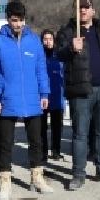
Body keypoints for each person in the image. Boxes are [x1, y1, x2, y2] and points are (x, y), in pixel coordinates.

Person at [0, 0, 53, 200]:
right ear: (8, 19)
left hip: (33, 99)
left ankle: (37, 177)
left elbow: (41, 69)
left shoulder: (34, 40)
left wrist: (44, 93)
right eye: (14, 20)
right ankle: (5, 182)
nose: (18, 24)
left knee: (36, 141)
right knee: (5, 143)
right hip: (7, 99)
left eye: (21, 20)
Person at [56, 0, 100, 190]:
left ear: (93, 10)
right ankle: (78, 174)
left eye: (86, 7)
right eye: (79, 7)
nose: (83, 10)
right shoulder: (67, 31)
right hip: (80, 90)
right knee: (80, 134)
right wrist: (71, 47)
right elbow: (58, 53)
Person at [41, 29, 65, 161]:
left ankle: (56, 150)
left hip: (57, 96)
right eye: (45, 39)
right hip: (43, 96)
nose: (48, 41)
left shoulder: (59, 56)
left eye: (50, 39)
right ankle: (43, 151)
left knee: (57, 126)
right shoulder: (39, 56)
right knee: (42, 126)